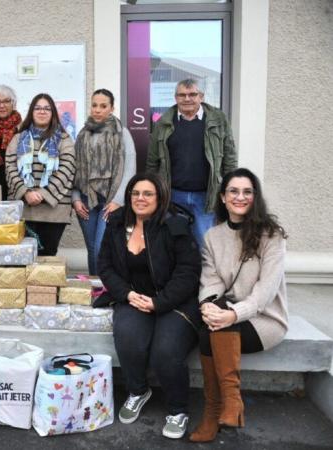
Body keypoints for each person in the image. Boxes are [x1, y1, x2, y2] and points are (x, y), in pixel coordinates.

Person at [98, 173, 201, 439]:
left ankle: (178, 409)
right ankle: (138, 391)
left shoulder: (174, 225)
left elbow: (188, 272)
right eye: (135, 193)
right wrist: (127, 295)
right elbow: (105, 266)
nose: (140, 199)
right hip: (133, 297)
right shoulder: (117, 223)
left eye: (147, 194)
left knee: (165, 351)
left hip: (172, 300)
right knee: (129, 338)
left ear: (160, 198)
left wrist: (159, 302)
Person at [190, 168, 288, 442]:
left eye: (247, 192)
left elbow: (265, 292)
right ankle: (223, 407)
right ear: (223, 197)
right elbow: (211, 281)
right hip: (228, 311)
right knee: (210, 325)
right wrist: (209, 306)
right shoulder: (213, 236)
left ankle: (222, 406)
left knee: (214, 331)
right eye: (233, 191)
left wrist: (233, 314)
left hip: (265, 319)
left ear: (255, 197)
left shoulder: (272, 236)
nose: (240, 197)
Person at [146, 78, 237, 247]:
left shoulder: (218, 119)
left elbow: (229, 159)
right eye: (182, 95)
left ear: (201, 96)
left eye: (192, 94)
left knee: (204, 245)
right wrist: (154, 192)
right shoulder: (163, 123)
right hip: (172, 196)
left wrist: (228, 190)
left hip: (206, 197)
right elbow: (152, 162)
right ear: (175, 98)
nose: (187, 99)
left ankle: (203, 275)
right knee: (173, 243)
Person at [72, 88, 136, 275]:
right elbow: (75, 169)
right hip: (86, 200)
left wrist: (118, 200)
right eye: (94, 105)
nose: (97, 110)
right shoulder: (83, 134)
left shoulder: (122, 133)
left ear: (112, 108)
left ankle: (107, 286)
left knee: (101, 247)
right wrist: (75, 198)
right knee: (92, 248)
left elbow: (130, 169)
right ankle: (95, 288)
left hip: (110, 201)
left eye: (103, 106)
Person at [5, 93, 76, 256]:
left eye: (47, 108)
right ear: (31, 112)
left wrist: (42, 194)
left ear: (53, 113)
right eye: (37, 108)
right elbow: (10, 167)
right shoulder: (17, 139)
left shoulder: (64, 139)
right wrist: (26, 192)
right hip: (25, 209)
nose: (42, 111)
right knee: (23, 258)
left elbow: (67, 169)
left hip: (54, 212)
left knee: (47, 258)